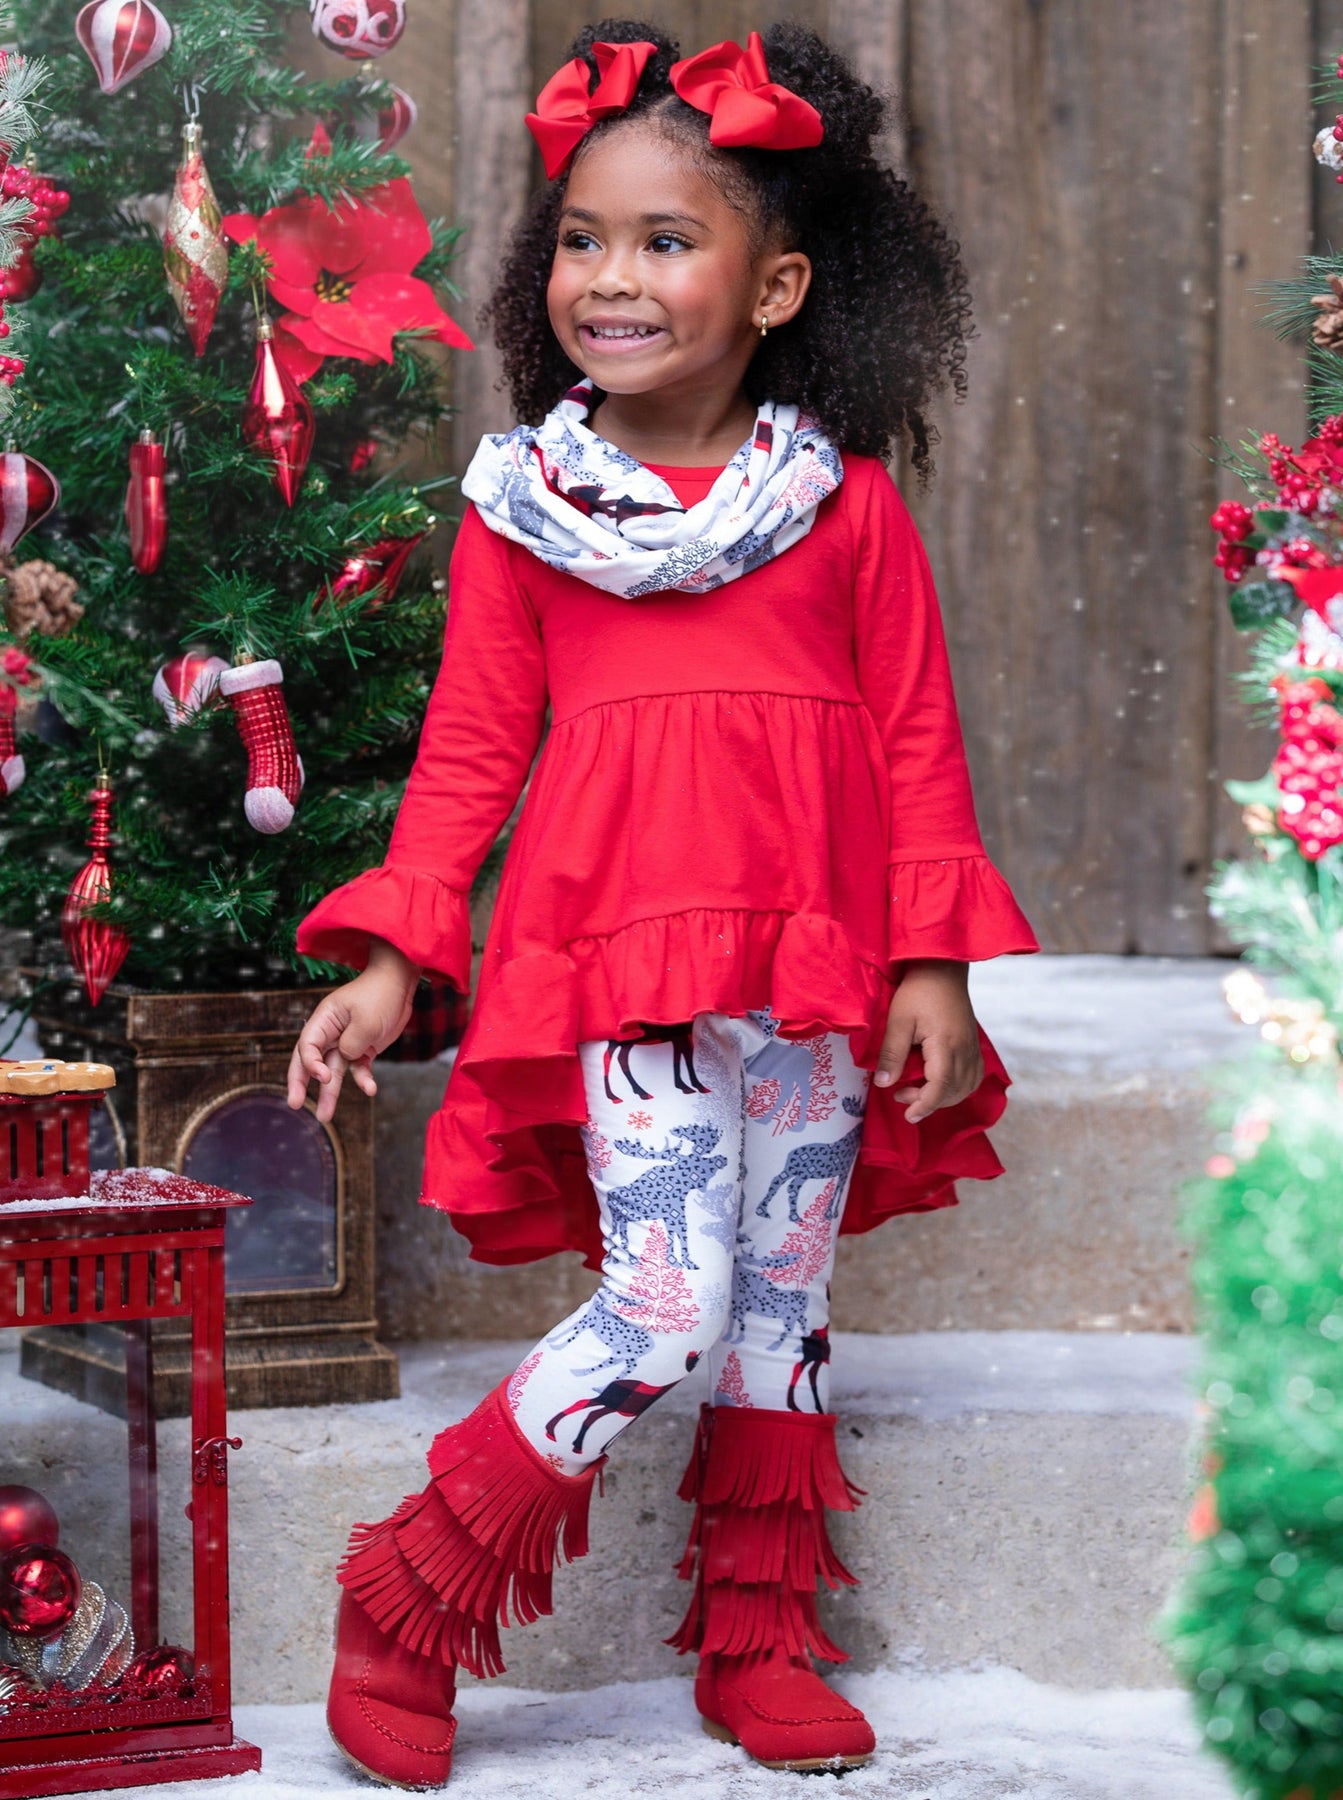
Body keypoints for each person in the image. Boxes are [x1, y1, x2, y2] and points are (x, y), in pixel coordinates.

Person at [288, 18, 1038, 1788]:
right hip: (620, 964)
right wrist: (397, 949)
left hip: (813, 966)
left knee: (782, 1308)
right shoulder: (525, 513)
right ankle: (408, 1598)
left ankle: (758, 1637)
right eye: (581, 238)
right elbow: (472, 748)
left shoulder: (844, 505)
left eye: (663, 240)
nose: (609, 277)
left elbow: (916, 740)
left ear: (776, 287)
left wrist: (933, 962)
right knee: (666, 1303)